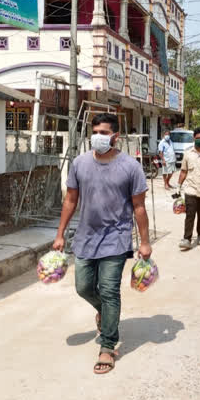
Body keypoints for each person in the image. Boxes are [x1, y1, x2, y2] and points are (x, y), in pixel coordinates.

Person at [52, 113, 151, 375]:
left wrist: (145, 242)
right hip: (85, 237)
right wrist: (60, 234)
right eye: (95, 131)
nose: (98, 136)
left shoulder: (131, 167)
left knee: (109, 290)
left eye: (104, 132)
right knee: (83, 287)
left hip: (116, 238)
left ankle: (107, 346)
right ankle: (104, 313)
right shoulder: (80, 163)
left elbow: (139, 207)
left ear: (116, 136)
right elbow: (70, 200)